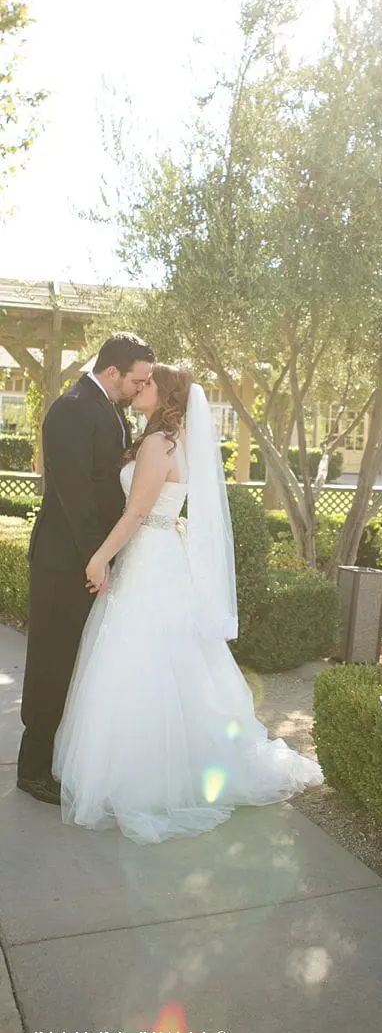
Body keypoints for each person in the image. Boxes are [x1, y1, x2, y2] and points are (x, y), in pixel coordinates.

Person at [52, 364, 323, 844]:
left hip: (150, 558)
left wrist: (98, 557)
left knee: (141, 660)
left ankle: (147, 778)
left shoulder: (159, 444)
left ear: (167, 396)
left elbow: (138, 512)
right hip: (156, 554)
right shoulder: (167, 440)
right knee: (164, 660)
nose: (140, 387)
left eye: (149, 383)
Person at [17, 333, 155, 805]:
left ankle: (53, 759)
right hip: (64, 560)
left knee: (73, 663)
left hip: (87, 557)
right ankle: (32, 770)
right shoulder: (71, 409)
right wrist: (97, 559)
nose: (141, 388)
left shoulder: (109, 408)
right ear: (112, 371)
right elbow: (75, 494)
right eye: (137, 380)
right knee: (50, 663)